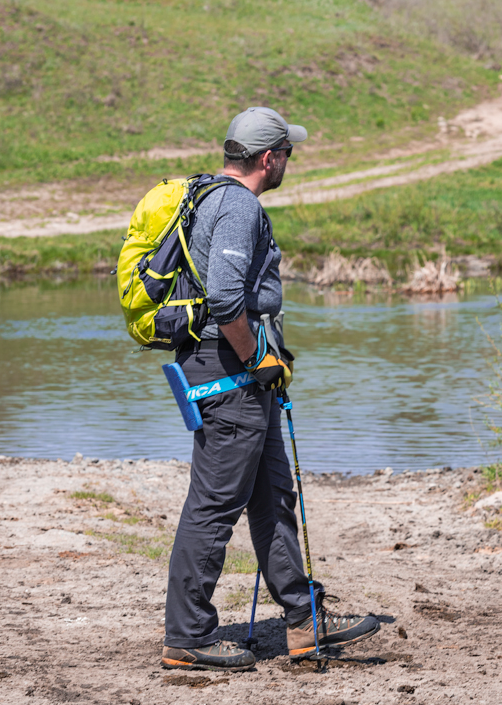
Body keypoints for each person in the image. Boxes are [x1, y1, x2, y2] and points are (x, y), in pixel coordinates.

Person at [161, 107, 380, 672]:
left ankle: (303, 619)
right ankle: (187, 637)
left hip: (236, 376)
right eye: (288, 153)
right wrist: (258, 359)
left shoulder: (210, 197)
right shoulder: (237, 207)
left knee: (273, 496)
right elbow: (227, 300)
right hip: (229, 374)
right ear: (268, 158)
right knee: (213, 507)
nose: (289, 161)